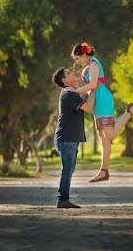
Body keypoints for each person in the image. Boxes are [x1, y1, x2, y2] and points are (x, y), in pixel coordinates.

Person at [63, 42, 133, 183]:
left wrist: (75, 91)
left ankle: (129, 111)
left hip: (103, 99)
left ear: (84, 54)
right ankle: (103, 171)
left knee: (110, 134)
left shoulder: (94, 63)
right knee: (104, 139)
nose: (77, 62)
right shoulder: (88, 67)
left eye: (77, 58)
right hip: (97, 102)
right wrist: (83, 94)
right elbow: (90, 87)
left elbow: (93, 84)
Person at [51, 66, 92, 208]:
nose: (72, 73)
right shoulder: (68, 95)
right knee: (67, 170)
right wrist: (93, 88)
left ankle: (63, 199)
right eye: (69, 73)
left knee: (69, 170)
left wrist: (92, 86)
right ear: (64, 80)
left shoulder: (72, 93)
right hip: (66, 138)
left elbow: (85, 96)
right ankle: (62, 200)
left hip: (70, 138)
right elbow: (89, 107)